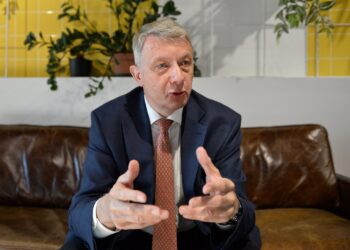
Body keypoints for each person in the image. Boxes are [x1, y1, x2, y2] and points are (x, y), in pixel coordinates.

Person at [62, 18, 261, 250]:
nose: (178, 77)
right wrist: (106, 213)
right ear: (138, 76)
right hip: (128, 236)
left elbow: (243, 212)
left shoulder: (222, 122)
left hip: (199, 236)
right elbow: (80, 209)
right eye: (162, 66)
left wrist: (230, 211)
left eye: (185, 63)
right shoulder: (109, 121)